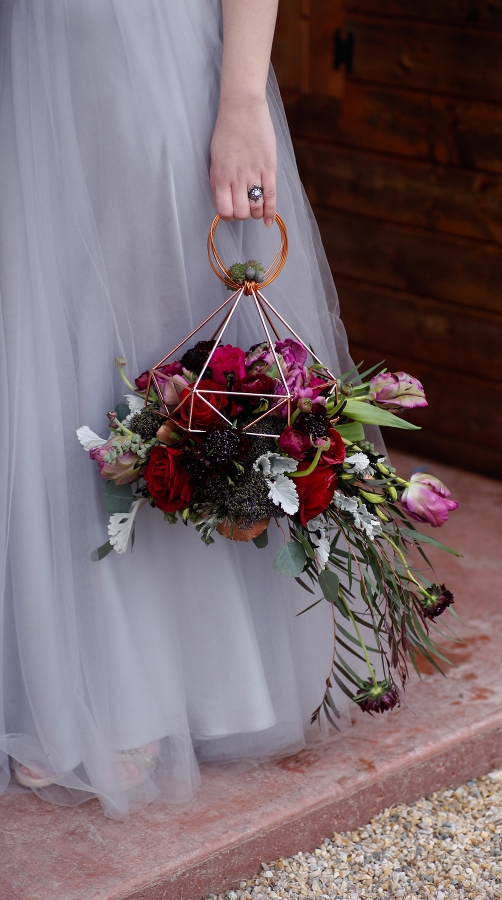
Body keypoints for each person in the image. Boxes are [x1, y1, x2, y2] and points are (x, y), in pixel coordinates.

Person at [0, 0, 352, 819]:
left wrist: (240, 100)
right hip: (34, 55)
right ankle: (78, 670)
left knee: (142, 338)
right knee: (46, 340)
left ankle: (166, 681)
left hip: (148, 52)